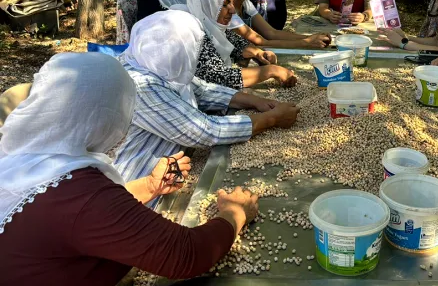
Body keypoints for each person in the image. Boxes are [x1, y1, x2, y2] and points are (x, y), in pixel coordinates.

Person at [0, 52, 261, 285]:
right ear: (102, 118)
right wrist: (234, 214)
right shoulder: (84, 194)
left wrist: (149, 186)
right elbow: (185, 255)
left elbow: (78, 218)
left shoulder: (29, 163)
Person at [113, 11, 300, 185]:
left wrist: (257, 102)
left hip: (169, 172)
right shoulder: (140, 85)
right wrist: (272, 119)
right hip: (138, 185)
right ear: (177, 48)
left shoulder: (153, 62)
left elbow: (202, 90)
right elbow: (204, 131)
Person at [178, 0, 298, 89]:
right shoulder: (192, 33)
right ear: (207, 5)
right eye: (224, 5)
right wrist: (271, 71)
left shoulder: (215, 27)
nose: (232, 10)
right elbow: (219, 77)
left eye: (231, 2)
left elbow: (238, 44)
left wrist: (259, 53)